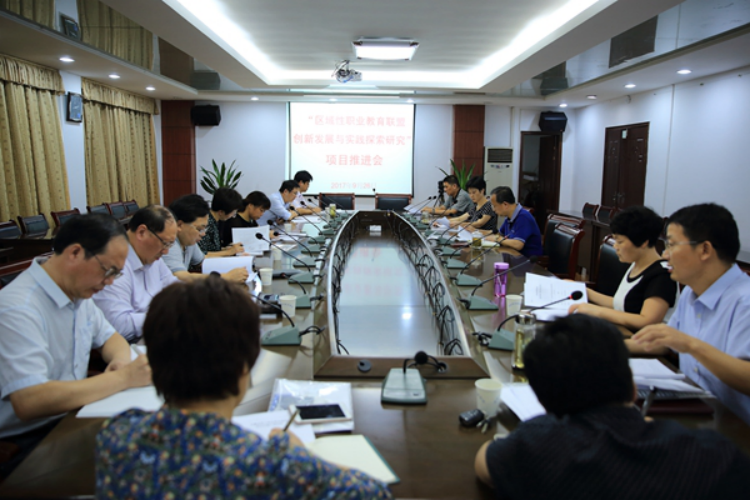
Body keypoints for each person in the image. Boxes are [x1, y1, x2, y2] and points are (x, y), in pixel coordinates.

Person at [95, 278, 393, 499]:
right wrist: (301, 458)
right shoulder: (273, 464)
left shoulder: (116, 437)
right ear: (244, 368)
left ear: (153, 361)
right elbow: (375, 493)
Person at [475, 314, 750, 499]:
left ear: (545, 402)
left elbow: (483, 461)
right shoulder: (714, 456)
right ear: (632, 387)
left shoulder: (534, 445)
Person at [0, 214, 151, 478]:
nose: (111, 282)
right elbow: (30, 401)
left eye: (116, 273)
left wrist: (120, 361)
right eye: (108, 271)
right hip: (28, 441)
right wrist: (123, 378)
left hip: (74, 415)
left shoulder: (77, 293)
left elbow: (111, 338)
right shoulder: (18, 308)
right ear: (75, 253)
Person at [631, 203, 750, 424]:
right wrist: (605, 346)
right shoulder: (691, 290)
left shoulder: (745, 302)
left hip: (736, 428)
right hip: (696, 411)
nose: (665, 255)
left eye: (672, 244)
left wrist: (690, 344)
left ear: (705, 250)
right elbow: (665, 342)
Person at [568, 206, 679, 334]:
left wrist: (597, 311)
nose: (615, 246)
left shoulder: (662, 275)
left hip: (644, 341)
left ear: (643, 242)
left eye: (620, 242)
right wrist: (583, 291)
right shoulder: (636, 264)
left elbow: (647, 320)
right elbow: (621, 304)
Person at [93, 206, 180, 343]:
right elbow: (119, 325)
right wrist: (165, 316)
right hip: (133, 343)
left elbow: (175, 288)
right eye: (165, 243)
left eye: (170, 245)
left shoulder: (154, 258)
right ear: (142, 232)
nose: (166, 252)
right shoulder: (113, 264)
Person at [163, 194, 248, 283]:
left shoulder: (188, 241)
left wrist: (238, 262)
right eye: (199, 229)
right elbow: (180, 276)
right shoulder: (169, 243)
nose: (203, 234)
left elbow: (203, 260)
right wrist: (225, 277)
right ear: (180, 225)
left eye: (204, 229)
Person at [488, 186, 542, 257]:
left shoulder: (523, 217)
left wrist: (497, 239)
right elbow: (500, 234)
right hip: (513, 256)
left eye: (494, 206)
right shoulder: (509, 217)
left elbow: (518, 245)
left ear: (505, 205)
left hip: (527, 260)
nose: (493, 209)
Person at [197, 187, 245, 257]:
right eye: (233, 213)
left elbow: (213, 249)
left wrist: (227, 249)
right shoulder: (206, 224)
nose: (232, 216)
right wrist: (228, 252)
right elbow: (200, 255)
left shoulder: (215, 220)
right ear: (221, 212)